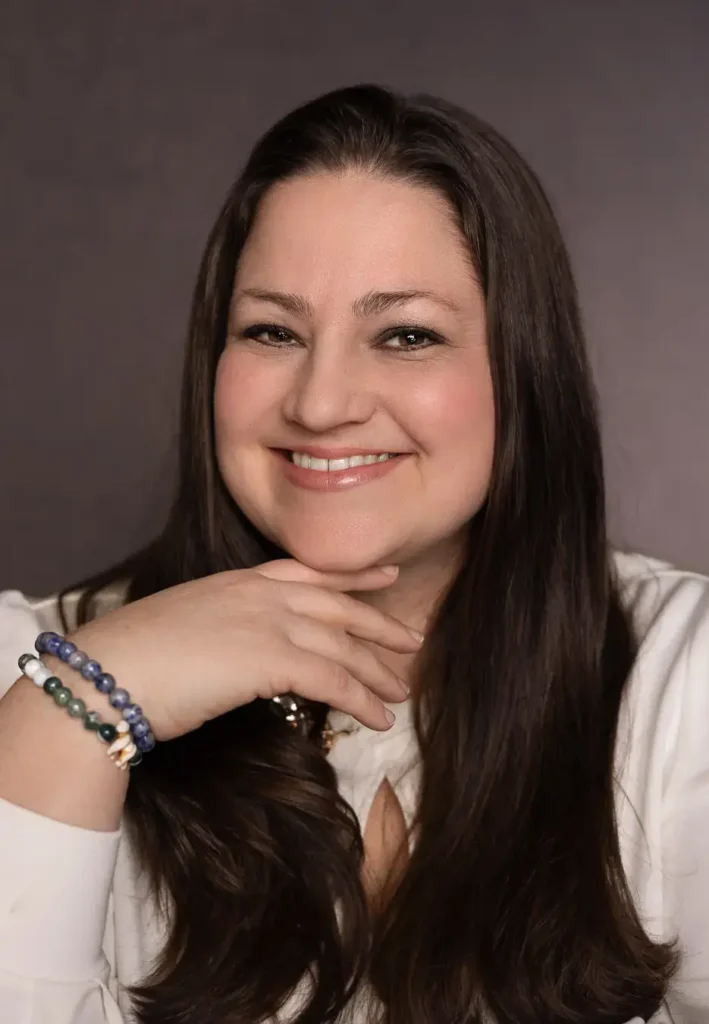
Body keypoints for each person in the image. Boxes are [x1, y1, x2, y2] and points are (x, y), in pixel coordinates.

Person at [0, 83, 707, 1024]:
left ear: (522, 373)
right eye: (272, 331)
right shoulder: (28, 669)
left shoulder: (684, 680)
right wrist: (78, 710)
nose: (322, 402)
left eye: (405, 334)